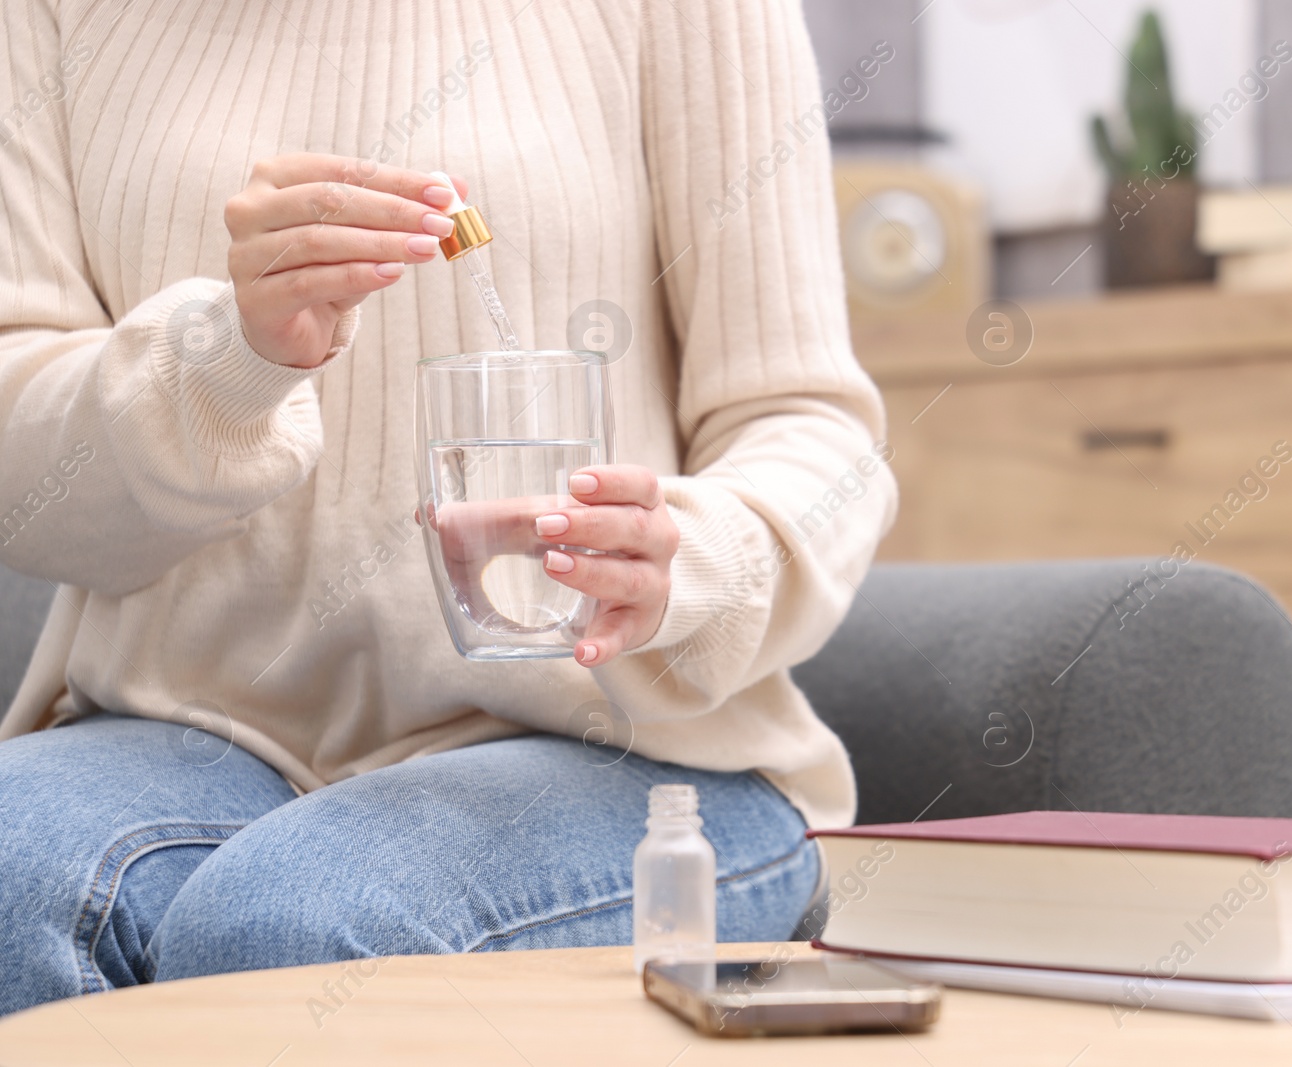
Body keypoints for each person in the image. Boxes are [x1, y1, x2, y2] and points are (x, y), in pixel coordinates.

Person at [0, 0, 895, 1016]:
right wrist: (229, 357)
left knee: (294, 921)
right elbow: (22, 489)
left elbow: (812, 426)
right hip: (185, 727)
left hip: (625, 753)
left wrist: (691, 558)